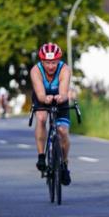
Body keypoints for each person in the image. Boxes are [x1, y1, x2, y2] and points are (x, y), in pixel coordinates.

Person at [30, 42, 73, 185]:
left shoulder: (65, 69)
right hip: (42, 96)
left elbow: (64, 91)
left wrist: (61, 97)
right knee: (41, 118)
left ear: (59, 61)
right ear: (42, 61)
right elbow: (41, 94)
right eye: (47, 63)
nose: (50, 66)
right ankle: (42, 156)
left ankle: (64, 164)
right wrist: (45, 98)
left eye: (54, 62)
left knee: (62, 131)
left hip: (59, 98)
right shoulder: (35, 70)